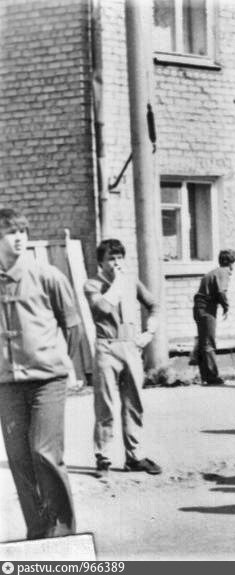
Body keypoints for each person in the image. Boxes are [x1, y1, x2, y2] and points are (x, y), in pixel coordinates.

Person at [0, 207, 81, 539]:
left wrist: (60, 364)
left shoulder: (48, 276)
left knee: (44, 453)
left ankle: (62, 534)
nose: (19, 237)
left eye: (22, 231)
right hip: (7, 384)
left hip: (47, 381)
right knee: (19, 460)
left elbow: (72, 326)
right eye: (11, 232)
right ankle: (38, 534)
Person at [83, 239, 162, 476]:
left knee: (133, 403)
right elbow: (103, 309)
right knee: (105, 403)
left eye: (119, 257)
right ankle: (103, 457)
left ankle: (134, 457)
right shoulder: (92, 284)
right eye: (111, 258)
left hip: (130, 346)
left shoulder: (131, 281)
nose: (116, 263)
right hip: (107, 347)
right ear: (101, 262)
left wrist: (150, 332)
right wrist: (118, 282)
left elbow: (154, 304)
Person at [193, 249, 235, 386]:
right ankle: (212, 377)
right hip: (206, 309)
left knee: (204, 342)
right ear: (230, 263)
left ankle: (205, 376)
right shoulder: (223, 272)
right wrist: (226, 306)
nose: (233, 268)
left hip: (200, 308)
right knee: (209, 342)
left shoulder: (214, 272)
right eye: (233, 263)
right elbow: (221, 291)